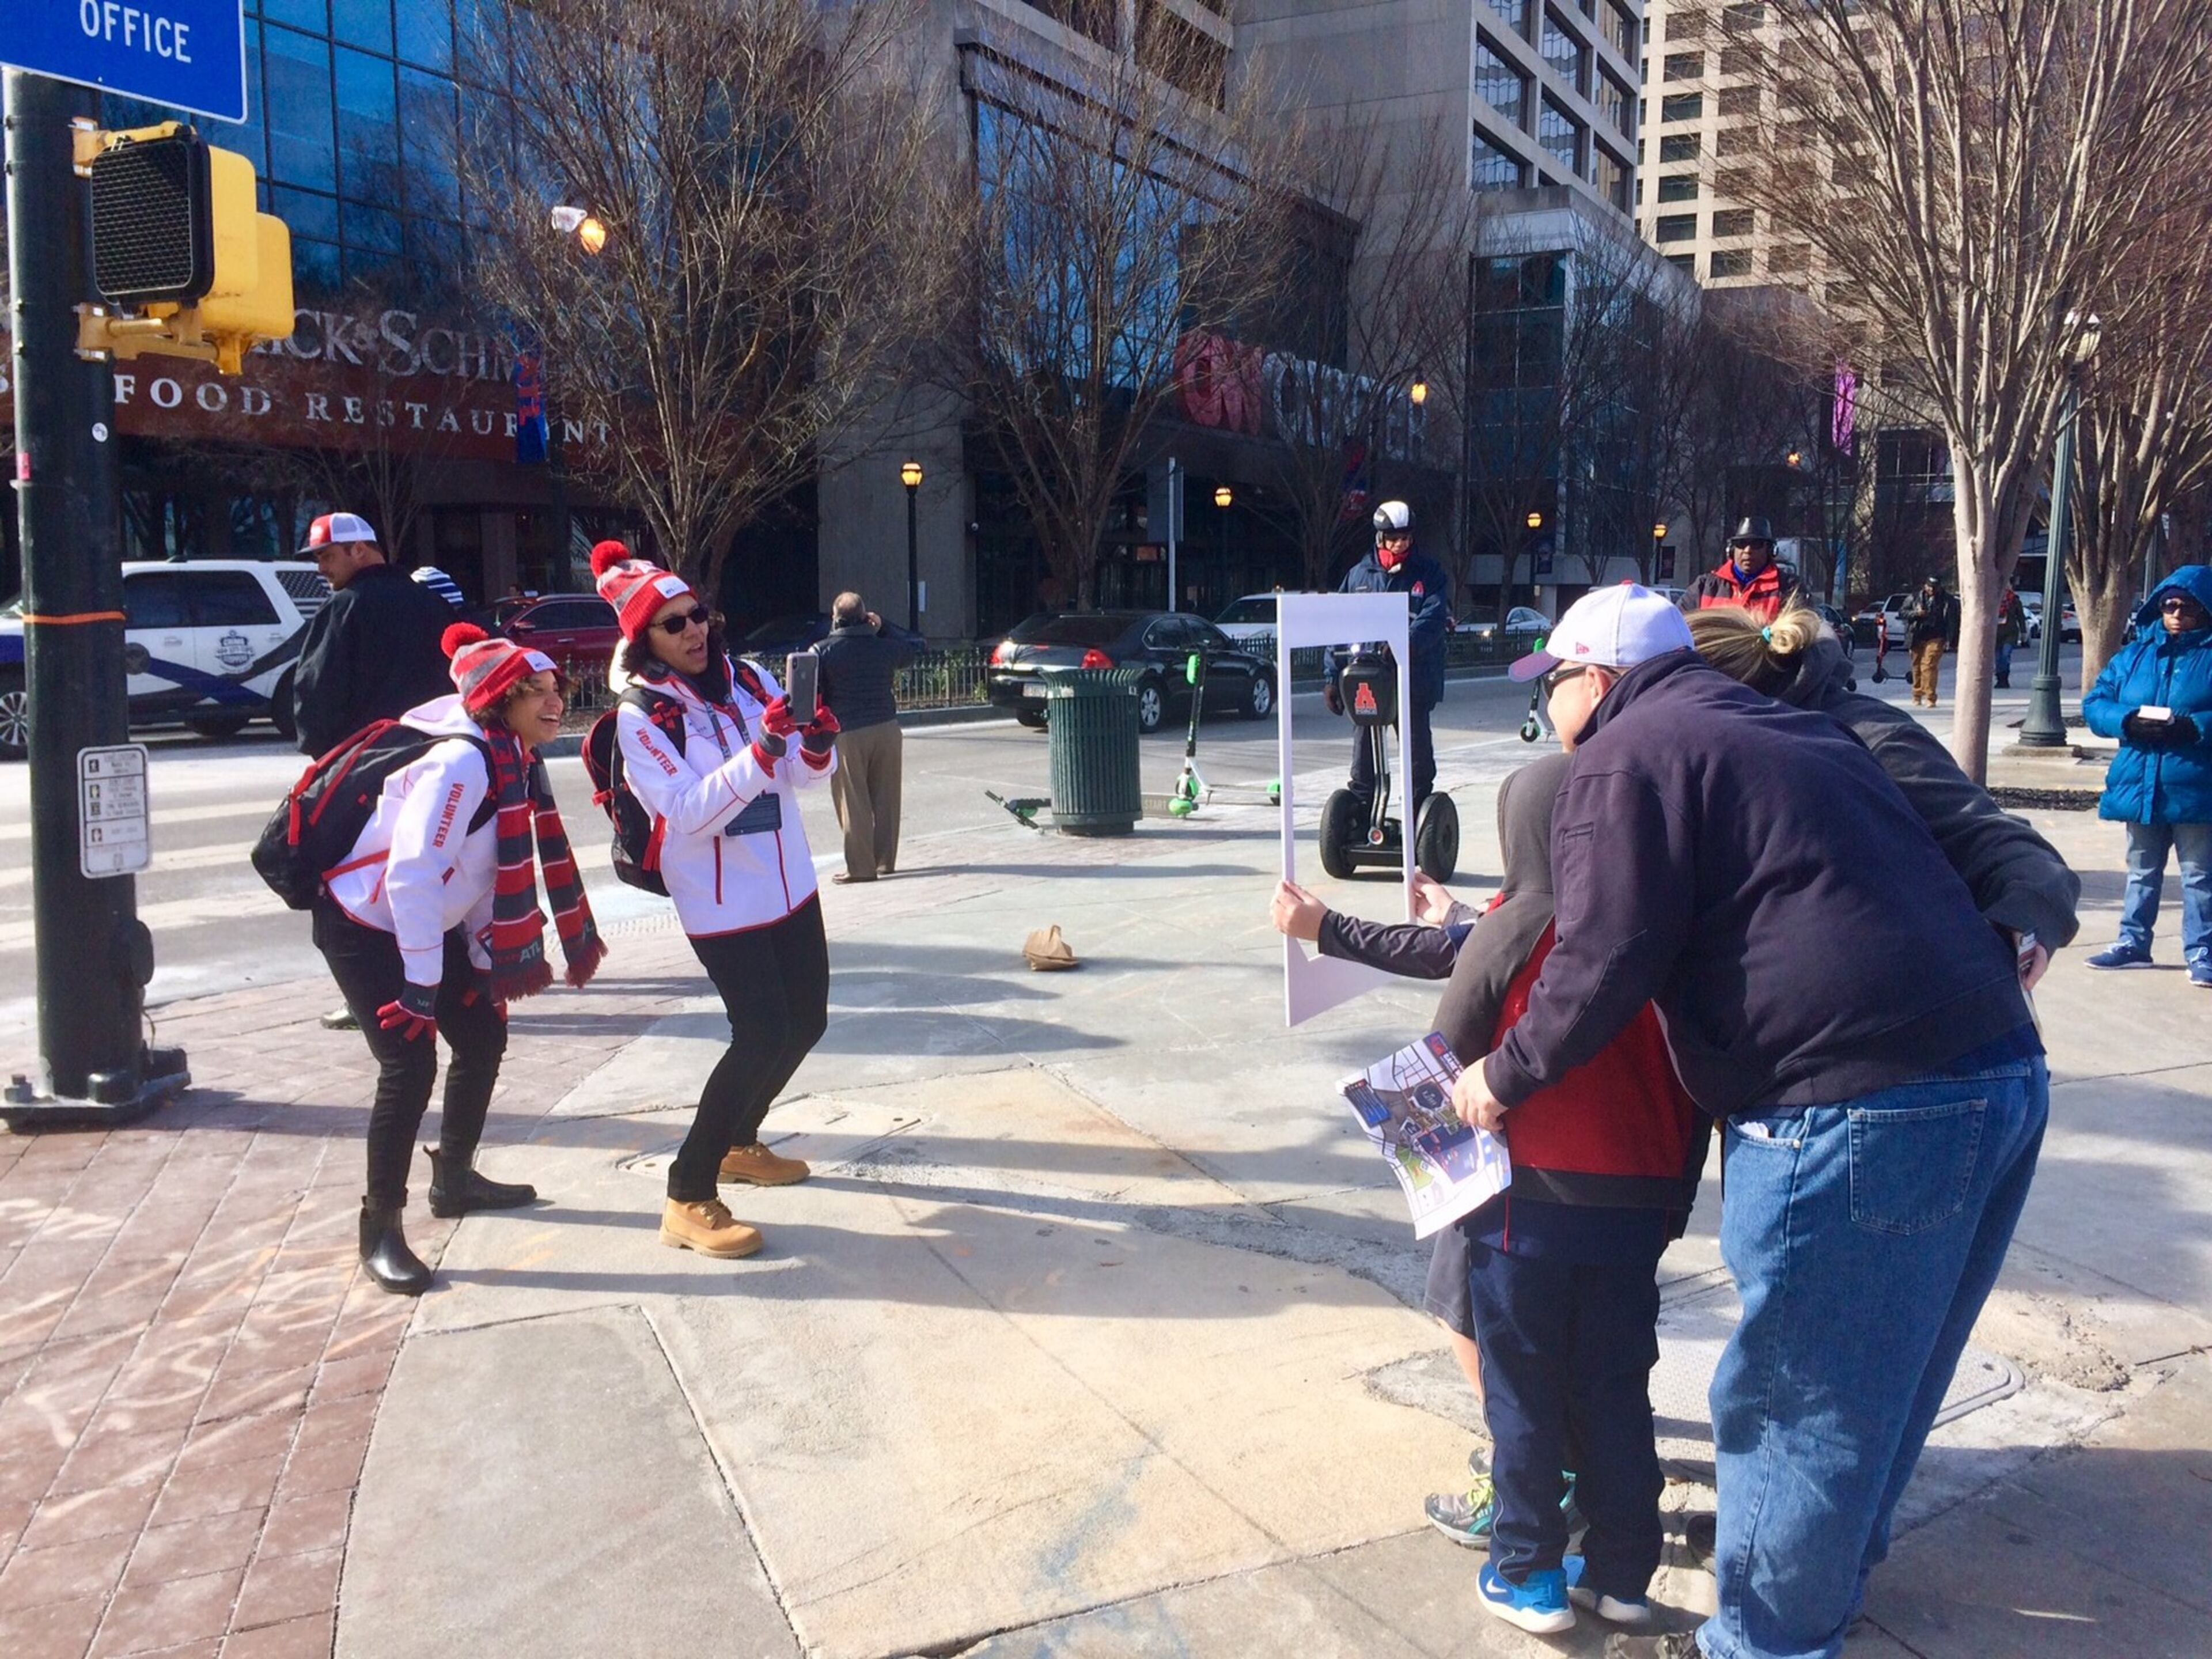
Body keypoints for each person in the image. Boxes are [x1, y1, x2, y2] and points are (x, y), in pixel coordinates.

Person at [1446, 584, 2044, 1659]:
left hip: (1850, 1104)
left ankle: (1766, 1640)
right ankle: (1818, 1601)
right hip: (1997, 1071)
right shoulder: (1792, 731)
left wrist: (1506, 1074)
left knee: (1792, 1407)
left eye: (1558, 687)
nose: (1553, 715)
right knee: (1881, 1386)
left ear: (1602, 680)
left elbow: (1603, 957)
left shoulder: (1627, 757)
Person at [1278, 756, 1700, 1638]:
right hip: (1636, 1212)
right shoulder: (1667, 931)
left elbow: (1447, 1056)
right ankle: (1623, 1577)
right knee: (1620, 1390)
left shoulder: (1512, 930)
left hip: (1527, 1212)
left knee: (1524, 1394)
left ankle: (1530, 1574)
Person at [317, 624, 605, 1296]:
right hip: (364, 920)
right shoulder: (465, 764)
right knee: (408, 1062)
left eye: (555, 687)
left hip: (422, 919)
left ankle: (454, 1179)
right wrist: (422, 985)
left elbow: (483, 874)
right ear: (498, 701)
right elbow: (413, 875)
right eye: (533, 692)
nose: (553, 701)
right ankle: (380, 1226)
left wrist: (483, 963)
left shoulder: (512, 758)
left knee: (481, 1034)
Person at [596, 541, 841, 1260]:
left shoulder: (750, 679)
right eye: (673, 625)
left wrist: (816, 745)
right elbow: (686, 811)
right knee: (761, 1030)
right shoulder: (641, 719)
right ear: (645, 641)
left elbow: (797, 778)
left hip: (789, 884)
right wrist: (761, 754)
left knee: (808, 1022)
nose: (694, 631)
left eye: (697, 615)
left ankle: (740, 1140)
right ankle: (686, 1189)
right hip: (721, 901)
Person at [1685, 603, 2080, 976]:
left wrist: (2024, 919)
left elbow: (2002, 844)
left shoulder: (1872, 739)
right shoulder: (1708, 754)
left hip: (1921, 1015)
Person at [291, 512, 459, 1032]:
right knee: (433, 875)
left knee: (361, 885)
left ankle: (373, 994)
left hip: (367, 775)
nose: (321, 568)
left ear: (360, 551)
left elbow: (313, 700)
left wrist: (327, 755)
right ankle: (443, 985)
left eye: (326, 556)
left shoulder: (344, 610)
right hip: (440, 764)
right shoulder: (432, 605)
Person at [2080, 567, 2212, 985]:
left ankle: (2203, 952)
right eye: (2168, 605)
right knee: (2141, 869)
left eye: (2186, 607)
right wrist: (2127, 721)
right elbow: (2096, 702)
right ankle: (2133, 943)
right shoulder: (2135, 655)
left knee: (2199, 875)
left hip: (2195, 785)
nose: (2175, 614)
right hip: (2141, 784)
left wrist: (2194, 727)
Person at [1324, 501, 1450, 816]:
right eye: (1394, 538)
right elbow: (1340, 624)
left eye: (1406, 537)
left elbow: (1434, 616)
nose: (1401, 544)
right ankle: (1360, 817)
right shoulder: (1359, 576)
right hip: (1367, 681)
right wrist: (1331, 677)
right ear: (1380, 538)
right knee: (1363, 759)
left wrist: (1405, 644)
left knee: (1418, 758)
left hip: (1412, 681)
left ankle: (1418, 815)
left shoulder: (1428, 572)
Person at [812, 591, 924, 884]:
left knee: (854, 801)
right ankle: (885, 861)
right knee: (887, 798)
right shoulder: (884, 647)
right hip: (887, 728)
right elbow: (910, 652)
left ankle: (861, 868)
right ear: (866, 617)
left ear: (835, 620)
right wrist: (883, 626)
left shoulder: (823, 650)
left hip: (847, 731)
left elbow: (812, 691)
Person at [1677, 517, 1801, 620]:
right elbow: (1677, 625)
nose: (1748, 551)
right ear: (1731, 550)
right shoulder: (1704, 587)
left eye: (1756, 544)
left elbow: (1801, 631)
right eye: (1741, 544)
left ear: (1770, 551)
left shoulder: (1790, 588)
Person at [1902, 572, 1961, 708]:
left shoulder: (1949, 601)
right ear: (1925, 586)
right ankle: (1917, 694)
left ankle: (1930, 696)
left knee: (1929, 665)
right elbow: (1902, 612)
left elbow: (1954, 621)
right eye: (1930, 587)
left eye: (1935, 587)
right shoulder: (1914, 597)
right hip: (1917, 635)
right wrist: (1916, 613)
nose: (1932, 590)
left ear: (1940, 587)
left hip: (1936, 636)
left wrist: (1953, 639)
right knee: (1917, 666)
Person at [1994, 583, 2025, 688]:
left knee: (2006, 655)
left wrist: (2023, 632)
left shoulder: (2015, 601)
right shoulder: (1993, 599)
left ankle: (2005, 678)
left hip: (2010, 633)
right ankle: (1999, 679)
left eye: (2007, 587)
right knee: (1998, 658)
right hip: (1996, 634)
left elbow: (2021, 617)